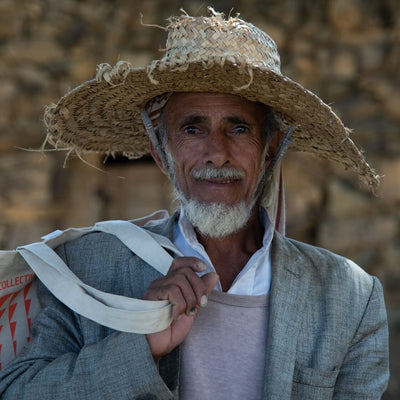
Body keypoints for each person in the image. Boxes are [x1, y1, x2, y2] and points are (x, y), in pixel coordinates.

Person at [0, 8, 389, 400]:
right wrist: (141, 346)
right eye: (192, 129)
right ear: (160, 151)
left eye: (239, 128)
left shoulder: (349, 297)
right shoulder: (87, 269)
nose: (217, 154)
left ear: (270, 149)